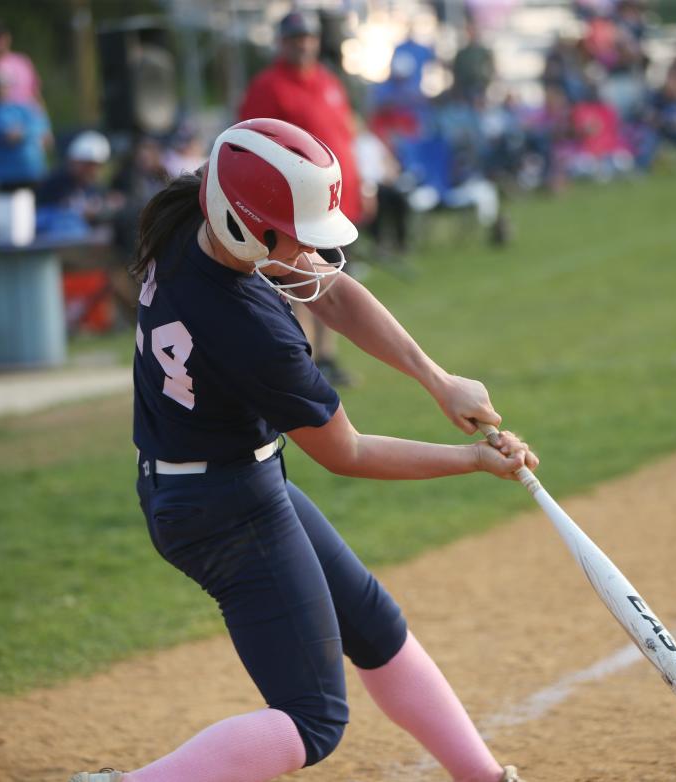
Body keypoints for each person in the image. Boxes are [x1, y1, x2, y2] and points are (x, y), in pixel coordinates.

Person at [67, 118, 535, 782]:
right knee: (312, 719)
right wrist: (474, 459)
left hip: (222, 482)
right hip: (221, 508)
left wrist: (438, 380)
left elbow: (330, 287)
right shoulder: (250, 328)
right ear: (240, 224)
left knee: (373, 626)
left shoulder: (190, 217)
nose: (310, 251)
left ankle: (483, 777)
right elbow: (347, 452)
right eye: (294, 233)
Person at [238, 9, 361, 386]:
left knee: (336, 278)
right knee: (298, 281)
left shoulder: (328, 81)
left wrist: (363, 185)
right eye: (294, 38)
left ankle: (328, 357)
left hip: (338, 200)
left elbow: (346, 134)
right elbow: (251, 143)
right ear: (281, 43)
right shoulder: (269, 86)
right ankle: (302, 361)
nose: (303, 44)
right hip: (297, 205)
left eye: (307, 37)